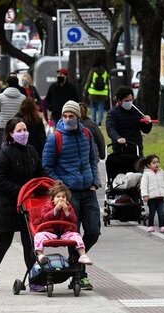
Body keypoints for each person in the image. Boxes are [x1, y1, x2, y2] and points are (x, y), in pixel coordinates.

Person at [42, 100, 100, 290]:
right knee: (73, 232)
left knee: (93, 231)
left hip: (88, 189)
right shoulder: (55, 138)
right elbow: (47, 166)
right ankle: (80, 276)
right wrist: (63, 188)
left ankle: (73, 261)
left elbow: (93, 158)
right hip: (69, 193)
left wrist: (94, 181)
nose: (67, 119)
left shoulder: (86, 133)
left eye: (71, 116)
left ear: (78, 117)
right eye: (65, 116)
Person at [0, 117, 44, 292]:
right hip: (7, 205)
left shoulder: (31, 151)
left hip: (27, 206)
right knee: (5, 241)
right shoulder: (5, 153)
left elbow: (39, 173)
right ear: (11, 134)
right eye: (19, 131)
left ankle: (33, 278)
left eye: (25, 130)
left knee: (29, 243)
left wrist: (47, 185)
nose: (23, 133)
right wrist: (20, 190)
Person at [34, 181, 93, 265]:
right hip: (50, 232)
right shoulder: (47, 206)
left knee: (77, 235)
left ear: (67, 199)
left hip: (65, 233)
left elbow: (74, 219)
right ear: (52, 199)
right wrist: (55, 210)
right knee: (38, 236)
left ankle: (83, 255)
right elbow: (44, 218)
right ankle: (40, 255)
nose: (61, 199)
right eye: (58, 197)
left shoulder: (68, 207)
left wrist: (67, 213)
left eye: (63, 197)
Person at [106, 86, 152, 157]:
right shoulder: (112, 113)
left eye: (131, 100)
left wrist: (147, 123)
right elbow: (110, 128)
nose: (129, 102)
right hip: (120, 149)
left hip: (136, 148)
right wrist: (117, 138)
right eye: (126, 101)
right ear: (119, 101)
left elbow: (145, 130)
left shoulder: (137, 111)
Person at [139, 154, 164, 233]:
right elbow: (143, 186)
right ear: (149, 165)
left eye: (158, 162)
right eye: (154, 163)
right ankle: (150, 226)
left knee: (161, 212)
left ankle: (162, 226)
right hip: (151, 197)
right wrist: (145, 195)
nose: (156, 164)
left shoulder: (161, 172)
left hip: (160, 196)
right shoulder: (146, 174)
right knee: (152, 212)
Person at [0, 75, 26, 152]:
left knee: (2, 147)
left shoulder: (0, 96)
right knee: (17, 146)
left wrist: (0, 118)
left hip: (4, 125)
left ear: (7, 84)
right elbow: (24, 113)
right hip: (17, 126)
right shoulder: (23, 97)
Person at [84, 61, 109, 126]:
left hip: (93, 92)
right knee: (101, 107)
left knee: (93, 106)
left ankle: (93, 121)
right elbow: (107, 82)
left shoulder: (92, 71)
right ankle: (99, 122)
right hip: (103, 92)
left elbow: (89, 81)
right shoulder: (105, 71)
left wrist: (85, 91)